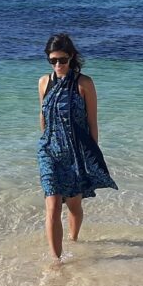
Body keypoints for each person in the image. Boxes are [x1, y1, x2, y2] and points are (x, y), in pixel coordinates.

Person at [37, 33, 118, 262]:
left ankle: (74, 240)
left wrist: (91, 155)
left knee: (73, 205)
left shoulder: (84, 84)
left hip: (75, 152)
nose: (58, 65)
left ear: (71, 57)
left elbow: (92, 122)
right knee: (53, 205)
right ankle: (56, 261)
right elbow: (43, 116)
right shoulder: (44, 82)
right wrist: (46, 141)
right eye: (53, 60)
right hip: (49, 150)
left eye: (62, 60)